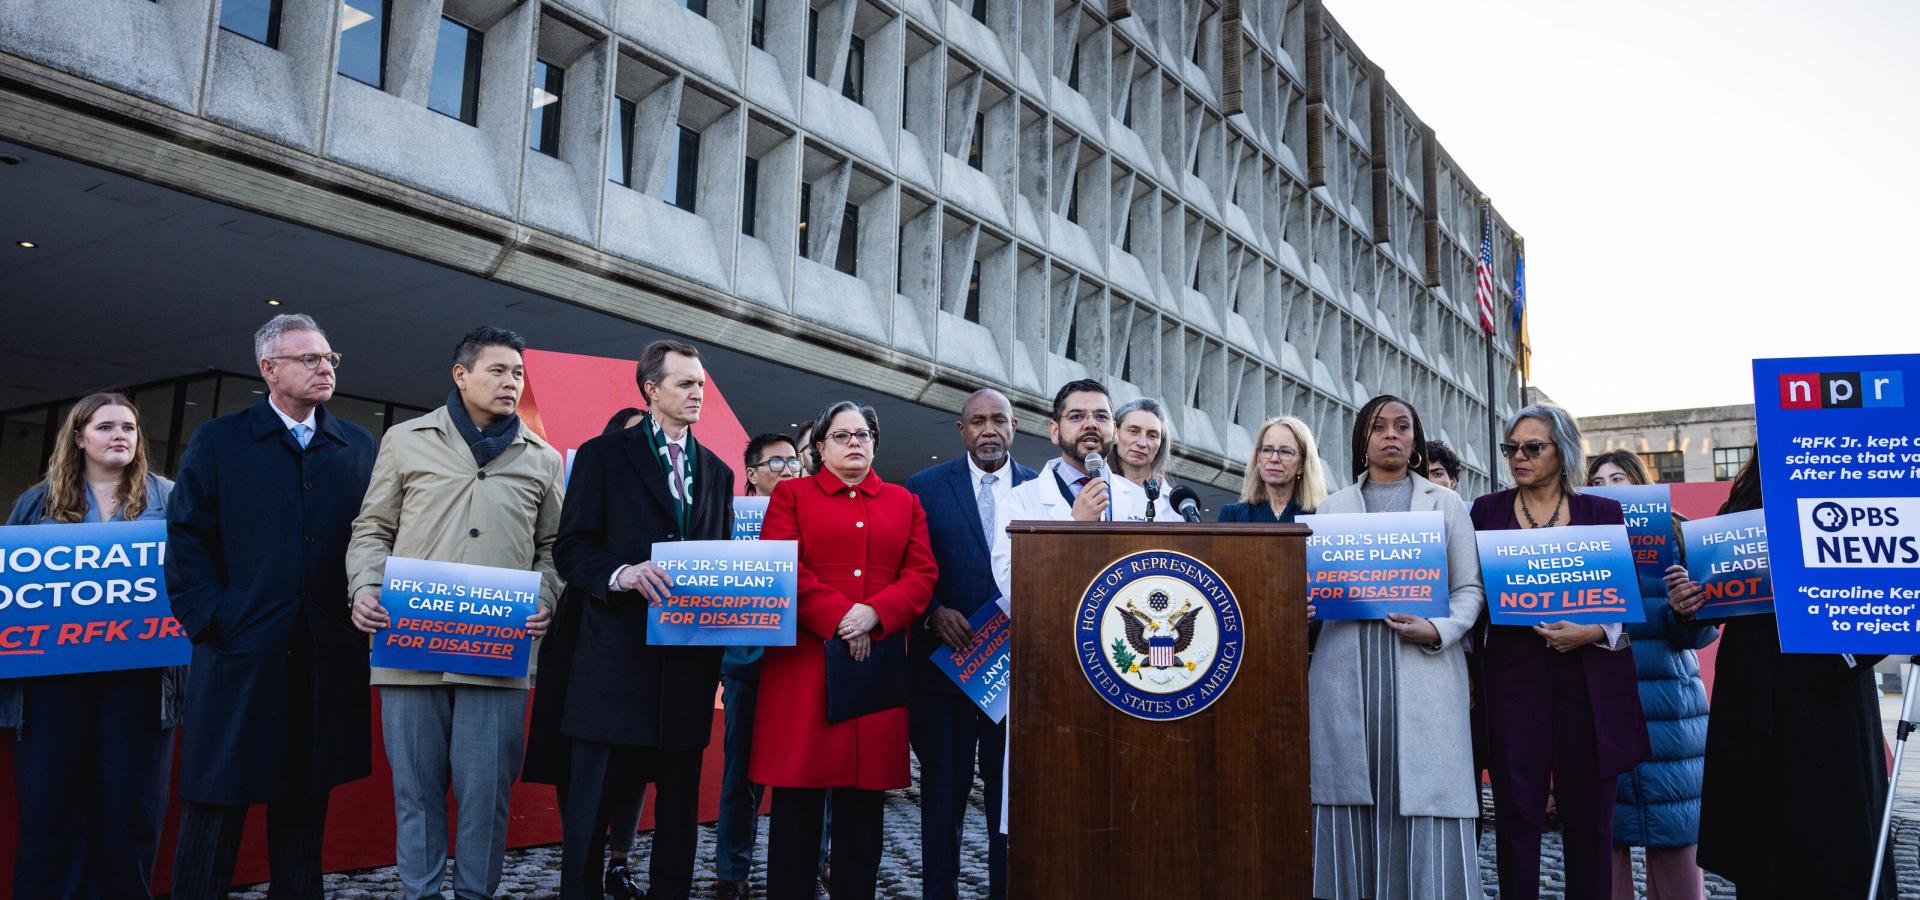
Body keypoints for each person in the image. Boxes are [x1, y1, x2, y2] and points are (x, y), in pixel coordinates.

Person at [345, 327, 562, 900]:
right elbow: (373, 528)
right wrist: (365, 587)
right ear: (461, 376)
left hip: (498, 648)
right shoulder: (405, 440)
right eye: (498, 370)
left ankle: (474, 894)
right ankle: (420, 893)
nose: (512, 381)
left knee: (487, 790)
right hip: (409, 643)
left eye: (518, 372)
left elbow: (556, 547)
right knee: (415, 789)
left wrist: (546, 595)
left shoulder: (544, 459)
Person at [166, 314, 378, 899]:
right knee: (216, 802)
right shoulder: (220, 440)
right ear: (269, 369)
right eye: (309, 359)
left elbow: (377, 537)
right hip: (240, 653)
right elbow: (187, 542)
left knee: (304, 808)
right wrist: (217, 620)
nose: (324, 368)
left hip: (323, 657)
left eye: (330, 358)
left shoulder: (359, 446)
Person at [551, 340, 736, 899]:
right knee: (594, 802)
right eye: (685, 383)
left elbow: (718, 564)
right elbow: (571, 549)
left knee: (678, 803)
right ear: (651, 390)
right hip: (612, 659)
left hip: (686, 664)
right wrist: (623, 573)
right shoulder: (602, 456)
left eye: (701, 383)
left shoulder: (720, 473)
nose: (697, 393)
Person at [1664, 458, 1895, 898]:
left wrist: (1844, 658)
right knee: (1761, 844)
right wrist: (1687, 603)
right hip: (1752, 689)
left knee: (1834, 844)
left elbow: (1884, 591)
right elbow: (1708, 606)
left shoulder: (1853, 481)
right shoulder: (1749, 492)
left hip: (1826, 692)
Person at [752, 401, 938, 900]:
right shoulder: (792, 496)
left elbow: (921, 575)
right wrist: (839, 616)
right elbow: (782, 567)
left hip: (873, 671)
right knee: (797, 813)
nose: (854, 442)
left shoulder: (904, 502)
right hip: (806, 671)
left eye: (863, 434)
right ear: (820, 447)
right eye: (842, 435)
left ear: (875, 443)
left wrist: (875, 613)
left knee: (863, 815)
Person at [1308, 394, 1485, 900]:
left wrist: (1438, 631)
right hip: (1348, 675)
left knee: (1426, 797)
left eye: (1402, 426)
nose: (1391, 434)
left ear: (1415, 438)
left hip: (1422, 671)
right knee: (1350, 796)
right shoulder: (1331, 507)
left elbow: (1469, 588)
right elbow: (1319, 590)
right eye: (1379, 426)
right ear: (1362, 439)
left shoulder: (1446, 504)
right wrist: (1309, 603)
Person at [1469, 404, 1650, 900]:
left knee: (1591, 820)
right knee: (1516, 814)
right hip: (1513, 682)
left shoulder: (1602, 512)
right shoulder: (1486, 511)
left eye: (1533, 447)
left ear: (1562, 451)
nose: (1519, 457)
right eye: (1512, 448)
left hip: (1588, 683)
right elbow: (1473, 594)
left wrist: (1591, 631)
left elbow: (1625, 601)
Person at [2, 393, 178, 898]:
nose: (120, 435)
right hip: (52, 679)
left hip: (142, 678)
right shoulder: (37, 503)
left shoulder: (169, 496)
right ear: (78, 437)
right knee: (50, 803)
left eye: (129, 427)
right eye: (105, 427)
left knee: (130, 805)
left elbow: (198, 571)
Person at [904, 389, 1036, 900]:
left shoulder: (1037, 491)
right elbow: (906, 568)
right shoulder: (923, 488)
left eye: (998, 420)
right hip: (943, 676)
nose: (988, 430)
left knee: (1010, 806)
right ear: (961, 430)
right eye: (977, 421)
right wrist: (932, 611)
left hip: (1012, 677)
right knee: (942, 801)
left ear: (1014, 426)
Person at [1581, 450, 1716, 900]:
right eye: (1597, 482)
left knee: (1677, 841)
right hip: (1603, 708)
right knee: (1606, 843)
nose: (1608, 488)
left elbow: (1698, 635)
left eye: (1617, 478)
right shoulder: (1579, 545)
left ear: (1640, 483)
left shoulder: (1678, 537)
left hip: (1670, 716)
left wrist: (1687, 613)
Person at [711, 431, 807, 900]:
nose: (789, 471)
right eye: (776, 464)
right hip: (747, 663)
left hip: (802, 665)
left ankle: (812, 864)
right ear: (751, 474)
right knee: (741, 776)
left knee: (809, 775)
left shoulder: (814, 514)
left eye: (794, 463)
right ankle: (732, 870)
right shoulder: (729, 519)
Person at [989, 379, 1154, 601]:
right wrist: (1075, 526)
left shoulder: (1141, 498)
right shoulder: (1020, 500)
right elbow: (1011, 583)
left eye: (1101, 417)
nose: (1091, 424)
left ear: (1115, 431)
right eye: (1077, 417)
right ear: (1055, 431)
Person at [1218, 415, 1327, 523]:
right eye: (1267, 450)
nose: (1274, 459)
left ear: (1302, 464)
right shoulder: (1232, 515)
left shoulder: (1320, 517)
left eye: (1286, 451)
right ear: (1258, 459)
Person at [1111, 396, 1178, 520]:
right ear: (1115, 433)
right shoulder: (1100, 490)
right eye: (1133, 431)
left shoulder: (1176, 502)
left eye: (1152, 435)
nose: (1142, 443)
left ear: (1161, 444)